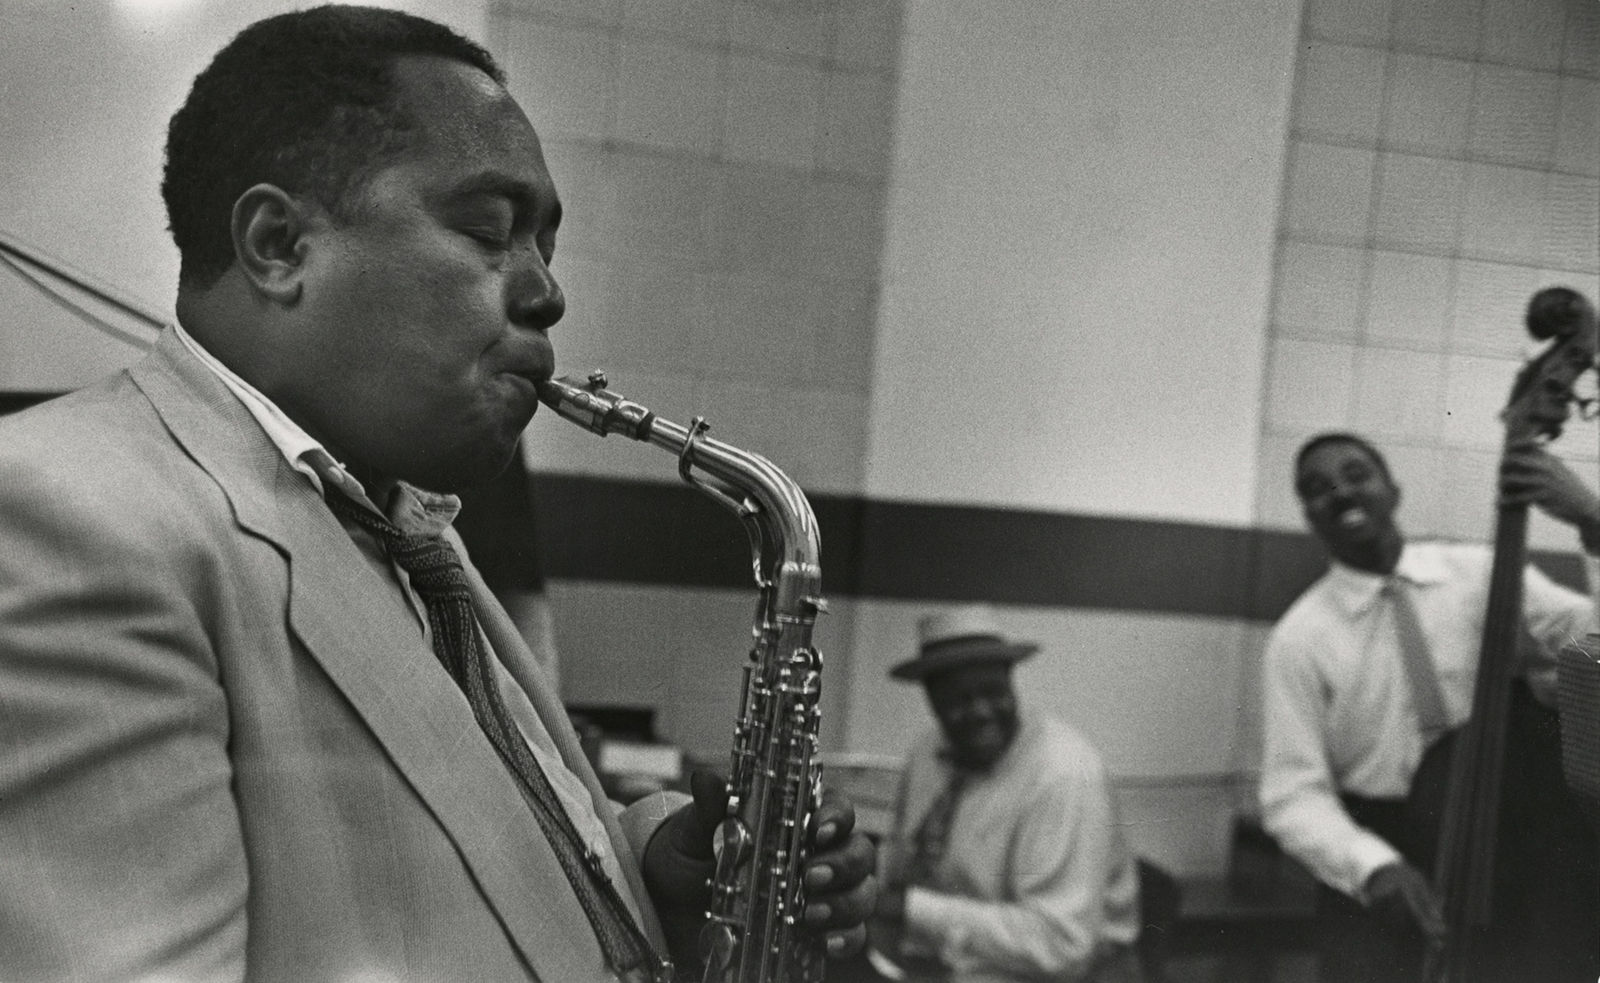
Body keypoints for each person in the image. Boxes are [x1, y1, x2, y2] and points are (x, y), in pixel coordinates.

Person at [0, 7, 874, 982]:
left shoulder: (397, 517)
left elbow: (442, 875)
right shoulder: (68, 515)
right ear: (279, 244)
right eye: (489, 231)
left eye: (545, 243)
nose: (547, 293)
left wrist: (649, 875)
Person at [1259, 431, 1600, 983]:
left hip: (1505, 833)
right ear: (1309, 515)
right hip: (1384, 845)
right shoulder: (1299, 638)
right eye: (1318, 488)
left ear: (1393, 490)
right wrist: (1374, 869)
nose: (1341, 493)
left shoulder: (1480, 573)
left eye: (1356, 474)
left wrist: (1594, 525)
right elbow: (1291, 794)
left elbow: (1591, 642)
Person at [870, 604, 1143, 983]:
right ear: (931, 699)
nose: (980, 710)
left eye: (993, 691)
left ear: (1012, 680)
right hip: (958, 963)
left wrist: (909, 909)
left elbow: (1061, 946)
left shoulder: (1064, 772)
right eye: (959, 699)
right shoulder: (927, 752)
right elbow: (901, 863)